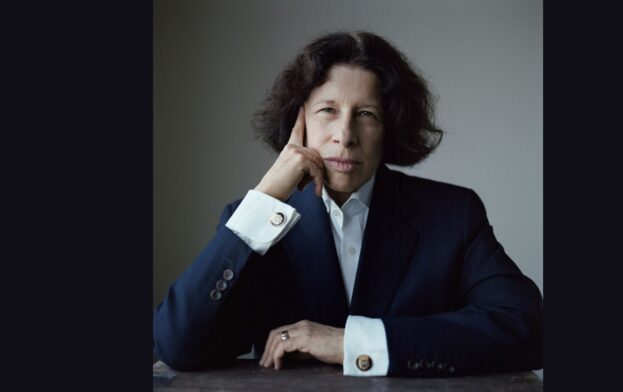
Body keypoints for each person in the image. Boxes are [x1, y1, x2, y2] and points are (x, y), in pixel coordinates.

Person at [153, 31, 543, 377]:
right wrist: (265, 195)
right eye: (328, 111)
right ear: (298, 120)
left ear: (389, 127)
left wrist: (352, 343)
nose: (345, 135)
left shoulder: (453, 215)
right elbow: (176, 344)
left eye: (366, 115)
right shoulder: (254, 223)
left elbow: (528, 328)